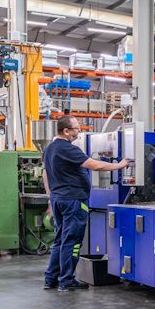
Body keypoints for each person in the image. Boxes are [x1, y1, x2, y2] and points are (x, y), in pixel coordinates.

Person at [42, 116, 130, 292]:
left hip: (59, 199)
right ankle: (66, 281)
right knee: (72, 241)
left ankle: (50, 279)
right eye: (76, 128)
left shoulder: (50, 148)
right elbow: (94, 165)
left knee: (60, 240)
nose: (79, 131)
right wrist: (119, 165)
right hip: (73, 200)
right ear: (66, 131)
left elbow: (45, 174)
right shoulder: (67, 148)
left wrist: (50, 197)